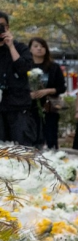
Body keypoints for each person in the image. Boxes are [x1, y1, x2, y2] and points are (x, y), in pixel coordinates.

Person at [0, 12, 34, 145]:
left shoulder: (20, 47)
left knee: (22, 148)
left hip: (18, 106)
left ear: (7, 27)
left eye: (1, 26)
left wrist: (11, 46)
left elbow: (23, 67)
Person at [29, 37, 65, 149]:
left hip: (49, 107)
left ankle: (53, 159)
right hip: (30, 106)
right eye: (36, 46)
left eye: (42, 46)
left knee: (51, 136)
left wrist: (47, 91)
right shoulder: (26, 66)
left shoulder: (54, 67)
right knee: (32, 136)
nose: (39, 48)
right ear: (30, 49)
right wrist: (28, 94)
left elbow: (61, 88)